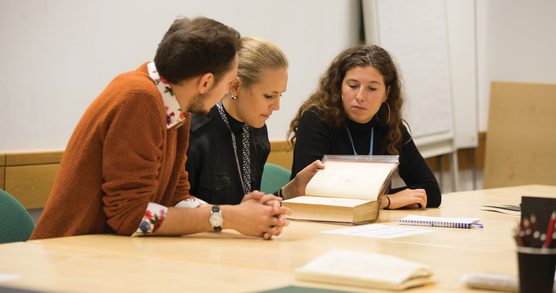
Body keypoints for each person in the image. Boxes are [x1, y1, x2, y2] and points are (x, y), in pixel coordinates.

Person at [31, 17, 289, 241]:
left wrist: (237, 214)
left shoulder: (178, 103)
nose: (227, 92)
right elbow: (130, 217)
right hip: (70, 253)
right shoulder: (139, 99)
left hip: (109, 251)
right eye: (228, 83)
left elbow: (178, 195)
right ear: (206, 82)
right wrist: (226, 217)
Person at [287, 44, 441, 209]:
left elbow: (430, 192)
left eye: (372, 88)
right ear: (339, 86)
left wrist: (383, 201)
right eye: (353, 86)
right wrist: (385, 201)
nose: (360, 96)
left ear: (386, 93)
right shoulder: (316, 120)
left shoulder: (390, 126)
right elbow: (309, 190)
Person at [186, 36, 323, 205]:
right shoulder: (194, 132)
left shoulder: (257, 130)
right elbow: (176, 211)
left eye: (280, 95)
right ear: (235, 86)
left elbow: (248, 209)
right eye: (269, 96)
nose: (277, 106)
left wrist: (291, 190)